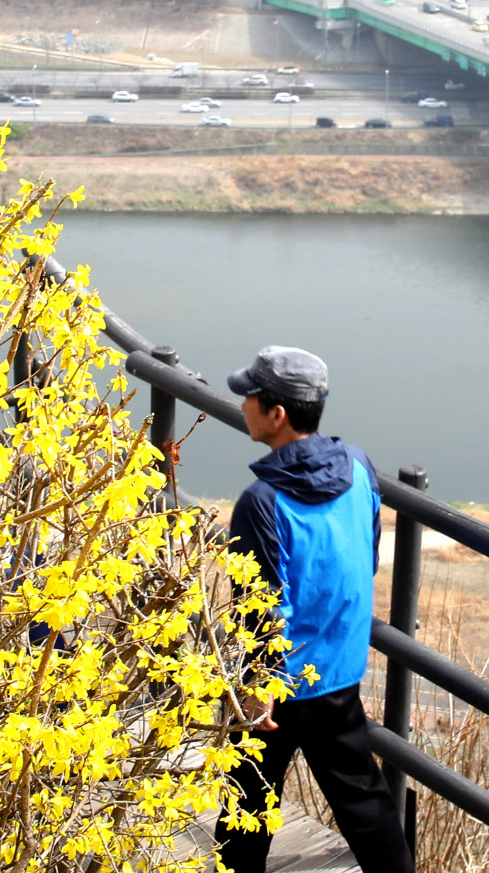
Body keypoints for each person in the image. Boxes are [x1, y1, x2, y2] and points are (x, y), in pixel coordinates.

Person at [215, 345, 414, 873]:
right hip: (339, 671)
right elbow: (365, 557)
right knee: (366, 806)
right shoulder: (358, 466)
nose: (241, 406)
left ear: (276, 414)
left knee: (245, 811)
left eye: (249, 398)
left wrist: (255, 693)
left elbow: (255, 610)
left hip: (278, 686)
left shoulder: (261, 501)